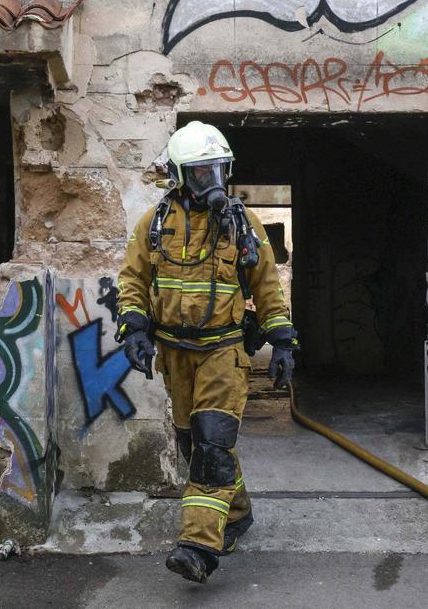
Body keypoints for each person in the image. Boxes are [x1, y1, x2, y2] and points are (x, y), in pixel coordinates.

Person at [115, 120, 299, 583]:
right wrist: (134, 328)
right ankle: (235, 515)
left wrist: (282, 341)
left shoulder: (242, 224)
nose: (211, 180)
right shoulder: (155, 223)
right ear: (180, 174)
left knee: (212, 446)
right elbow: (133, 280)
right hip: (174, 354)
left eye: (218, 169)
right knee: (192, 445)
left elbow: (268, 289)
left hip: (225, 350)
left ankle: (199, 546)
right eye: (200, 172)